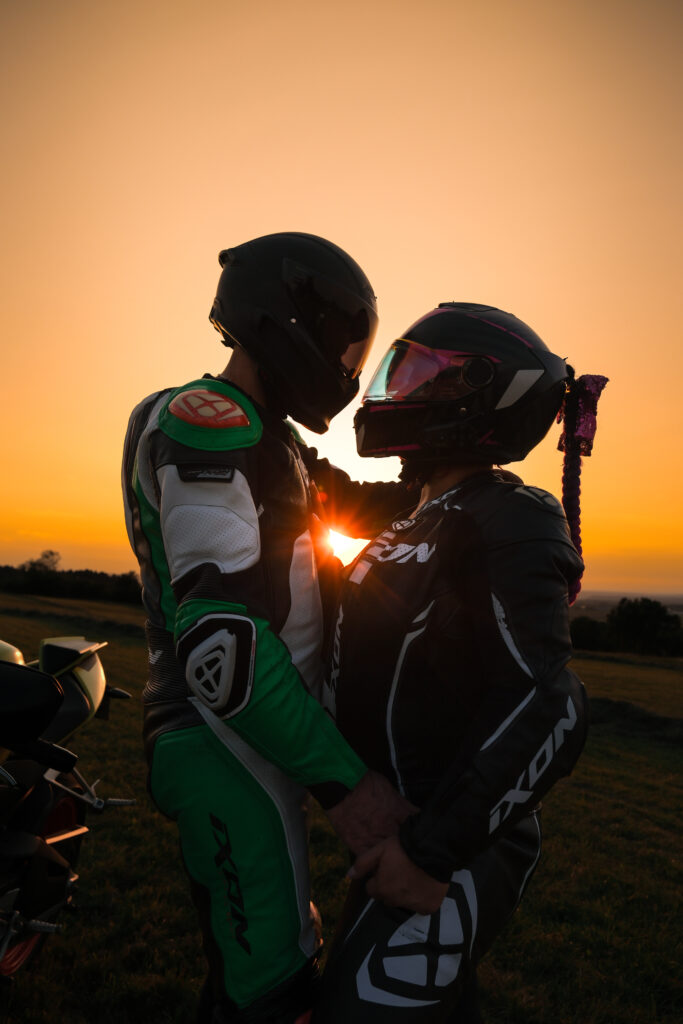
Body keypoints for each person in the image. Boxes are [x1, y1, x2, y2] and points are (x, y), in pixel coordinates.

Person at [121, 233, 413, 1024]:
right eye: (343, 346)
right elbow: (221, 646)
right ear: (287, 323)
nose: (346, 368)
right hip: (223, 738)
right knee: (268, 995)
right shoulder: (206, 421)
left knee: (277, 969)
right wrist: (347, 787)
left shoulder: (269, 436)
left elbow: (354, 500)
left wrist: (455, 480)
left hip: (258, 735)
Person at [313, 302, 608, 1022]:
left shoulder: (512, 514)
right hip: (405, 826)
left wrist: (431, 852)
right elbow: (323, 491)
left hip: (457, 839)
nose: (396, 388)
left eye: (419, 373)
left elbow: (547, 704)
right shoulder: (418, 506)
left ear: (478, 388)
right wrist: (255, 428)